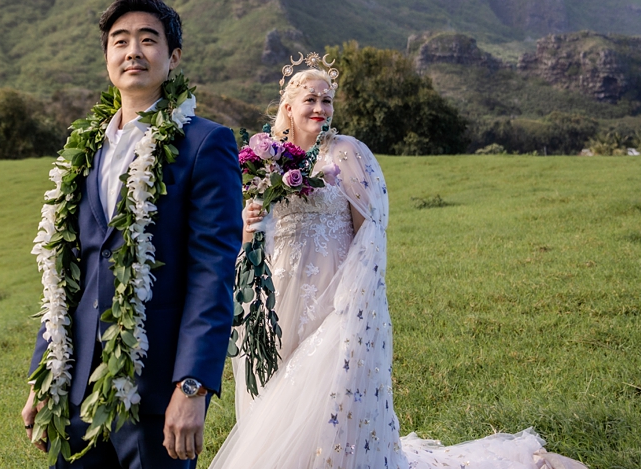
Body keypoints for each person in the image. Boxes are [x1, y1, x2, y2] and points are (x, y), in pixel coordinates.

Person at [210, 57, 587, 469]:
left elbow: (369, 229)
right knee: (277, 388)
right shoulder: (263, 160)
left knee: (321, 385)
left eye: (327, 100)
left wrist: (357, 298)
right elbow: (249, 231)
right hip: (277, 291)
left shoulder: (346, 152)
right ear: (288, 106)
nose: (320, 108)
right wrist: (250, 226)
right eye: (310, 99)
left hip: (331, 289)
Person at [23, 0, 243, 468]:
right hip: (79, 392)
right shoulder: (82, 151)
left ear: (173, 55)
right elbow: (65, 275)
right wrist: (46, 376)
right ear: (107, 57)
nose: (133, 52)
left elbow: (213, 272)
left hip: (158, 391)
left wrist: (193, 386)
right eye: (120, 41)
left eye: (148, 40)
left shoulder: (207, 144)